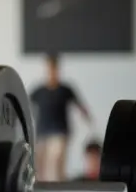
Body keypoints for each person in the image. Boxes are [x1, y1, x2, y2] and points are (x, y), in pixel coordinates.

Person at [29, 53, 92, 183]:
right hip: (42, 134)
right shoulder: (39, 91)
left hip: (60, 132)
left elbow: (80, 105)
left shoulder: (65, 90)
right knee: (39, 167)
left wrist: (88, 120)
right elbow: (25, 104)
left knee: (54, 163)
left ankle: (56, 190)